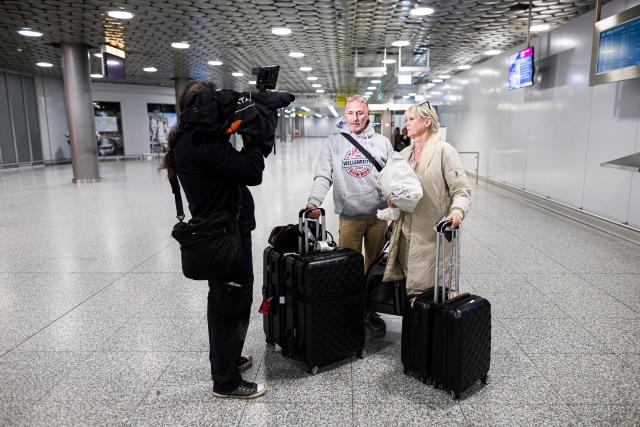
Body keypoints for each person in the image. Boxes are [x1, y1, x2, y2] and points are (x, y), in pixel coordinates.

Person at [160, 81, 266, 399]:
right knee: (231, 304)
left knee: (220, 301)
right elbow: (252, 171)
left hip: (219, 233)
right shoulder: (204, 145)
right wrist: (255, 138)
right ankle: (226, 380)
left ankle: (225, 362)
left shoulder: (189, 141)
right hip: (225, 236)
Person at [305, 94, 394, 334]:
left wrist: (394, 211)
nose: (355, 118)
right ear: (345, 115)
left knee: (374, 267)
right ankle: (350, 308)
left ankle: (369, 309)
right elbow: (323, 175)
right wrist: (314, 202)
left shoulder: (383, 143)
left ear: (368, 115)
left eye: (360, 113)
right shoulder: (334, 143)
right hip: (350, 217)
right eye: (351, 113)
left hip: (378, 217)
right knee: (349, 267)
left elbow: (392, 179)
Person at [382, 102, 471, 295]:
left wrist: (457, 212)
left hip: (431, 235)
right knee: (407, 288)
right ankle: (414, 324)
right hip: (404, 234)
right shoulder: (405, 154)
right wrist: (394, 199)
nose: (407, 123)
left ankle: (427, 323)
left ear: (427, 121)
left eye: (411, 119)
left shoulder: (444, 152)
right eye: (405, 120)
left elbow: (462, 190)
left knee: (428, 290)